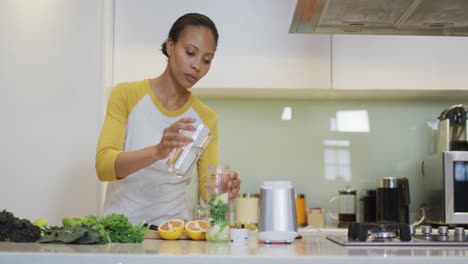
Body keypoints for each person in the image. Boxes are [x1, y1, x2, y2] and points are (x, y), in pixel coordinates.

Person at [95, 13, 241, 225]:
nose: (197, 66)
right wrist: (158, 151)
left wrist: (221, 190)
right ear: (170, 46)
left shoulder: (206, 118)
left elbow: (206, 191)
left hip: (173, 234)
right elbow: (104, 166)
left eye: (206, 60)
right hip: (121, 233)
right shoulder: (126, 94)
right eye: (190, 52)